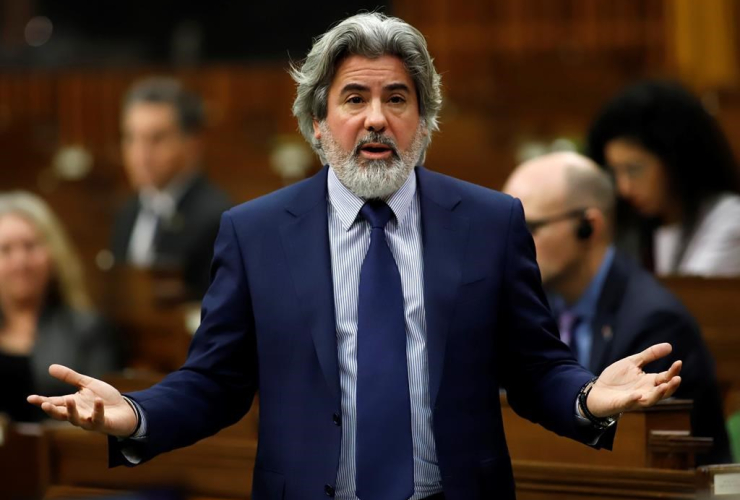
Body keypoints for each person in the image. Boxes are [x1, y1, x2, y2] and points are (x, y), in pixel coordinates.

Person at [29, 14, 683, 500]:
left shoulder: (491, 223)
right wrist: (137, 413)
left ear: (423, 123)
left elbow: (536, 369)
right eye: (354, 98)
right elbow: (216, 383)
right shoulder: (256, 233)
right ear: (317, 124)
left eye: (396, 98)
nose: (376, 118)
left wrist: (591, 396)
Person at [503, 152, 731, 465]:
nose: (511, 242)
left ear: (589, 227)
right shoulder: (532, 306)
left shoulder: (655, 324)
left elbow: (639, 456)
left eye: (530, 226)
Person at [586, 79, 740, 277]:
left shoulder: (728, 218)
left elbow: (691, 299)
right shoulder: (636, 230)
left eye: (634, 169)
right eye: (615, 172)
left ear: (676, 160)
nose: (624, 188)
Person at [0, 191, 123, 422]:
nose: (20, 262)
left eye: (30, 246)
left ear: (53, 253)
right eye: (5, 250)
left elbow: (100, 414)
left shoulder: (90, 331)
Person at [111, 77, 232, 299]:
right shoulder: (127, 213)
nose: (141, 155)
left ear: (193, 143)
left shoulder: (218, 219)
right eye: (131, 138)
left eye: (156, 139)